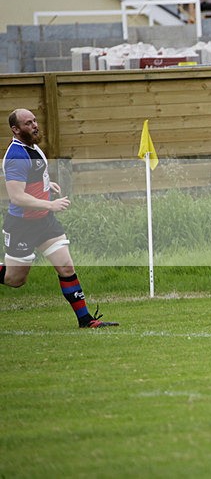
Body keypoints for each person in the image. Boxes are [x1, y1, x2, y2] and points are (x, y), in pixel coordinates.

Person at [1, 108, 118, 328]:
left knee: (65, 267)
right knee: (15, 280)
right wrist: (50, 203)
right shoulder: (16, 155)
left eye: (35, 121)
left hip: (44, 222)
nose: (34, 125)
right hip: (22, 226)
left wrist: (47, 185)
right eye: (28, 123)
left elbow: (33, 178)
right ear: (15, 129)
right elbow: (17, 197)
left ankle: (86, 320)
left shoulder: (32, 146)